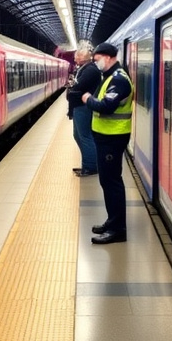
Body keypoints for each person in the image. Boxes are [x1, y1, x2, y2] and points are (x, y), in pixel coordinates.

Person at [80, 42, 134, 244]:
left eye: (97, 60)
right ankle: (112, 222)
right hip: (105, 137)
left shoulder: (119, 80)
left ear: (109, 57)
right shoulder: (109, 77)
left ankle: (118, 229)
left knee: (112, 183)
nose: (96, 63)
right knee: (106, 181)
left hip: (113, 138)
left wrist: (87, 99)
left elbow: (105, 106)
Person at [67, 47, 102, 176]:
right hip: (80, 106)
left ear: (82, 57)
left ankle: (91, 167)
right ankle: (86, 164)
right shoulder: (85, 69)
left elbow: (78, 86)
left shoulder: (90, 70)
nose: (75, 58)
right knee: (78, 136)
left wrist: (73, 87)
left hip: (84, 107)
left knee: (85, 136)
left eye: (76, 56)